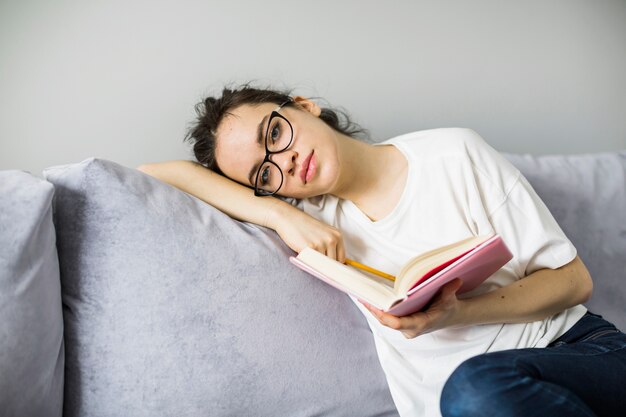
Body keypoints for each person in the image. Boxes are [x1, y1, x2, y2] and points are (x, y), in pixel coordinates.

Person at [138, 84, 626, 417]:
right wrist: (278, 215)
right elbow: (154, 173)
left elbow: (573, 280)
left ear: (304, 105)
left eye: (275, 133)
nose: (283, 160)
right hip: (468, 405)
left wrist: (455, 314)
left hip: (577, 352)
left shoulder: (451, 154)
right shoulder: (313, 224)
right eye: (264, 175)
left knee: (476, 390)